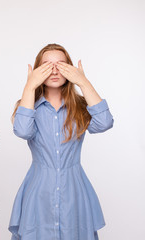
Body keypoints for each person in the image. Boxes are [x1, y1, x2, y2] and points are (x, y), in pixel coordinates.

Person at [8, 43, 114, 240]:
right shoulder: (28, 105)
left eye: (61, 65)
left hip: (75, 191)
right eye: (47, 65)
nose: (54, 70)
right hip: (38, 192)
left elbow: (105, 122)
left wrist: (83, 82)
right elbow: (22, 131)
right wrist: (30, 85)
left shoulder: (81, 106)